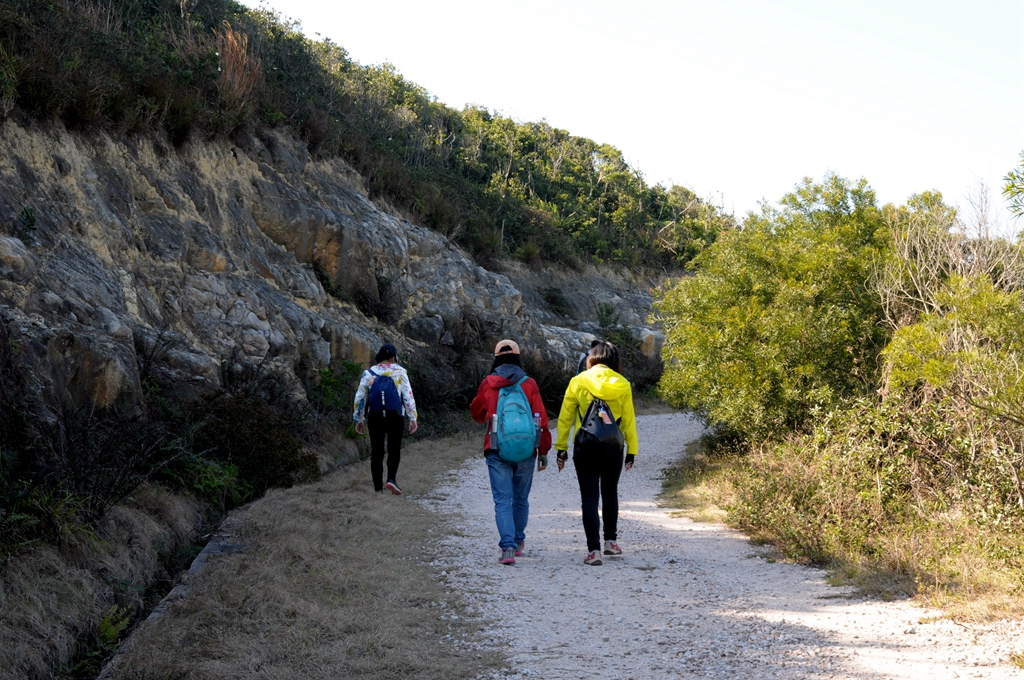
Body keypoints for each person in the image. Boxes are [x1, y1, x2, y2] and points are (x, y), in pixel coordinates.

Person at [555, 341, 638, 565]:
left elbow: (565, 418)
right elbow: (629, 420)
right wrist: (632, 450)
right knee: (610, 492)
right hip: (613, 446)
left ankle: (594, 552)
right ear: (615, 361)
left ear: (591, 359)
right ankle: (611, 542)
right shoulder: (623, 384)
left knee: (589, 497)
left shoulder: (578, 381)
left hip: (586, 446)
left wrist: (561, 448)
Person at [470, 339, 552, 565]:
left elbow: (476, 413)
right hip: (526, 450)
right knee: (521, 499)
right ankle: (518, 542)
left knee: (502, 500)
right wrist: (543, 450)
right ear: (518, 357)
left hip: (496, 448)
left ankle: (507, 549)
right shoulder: (529, 384)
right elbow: (541, 419)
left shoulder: (488, 383)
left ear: (496, 358)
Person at [353, 343, 418, 495]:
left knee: (377, 452)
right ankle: (391, 479)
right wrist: (412, 417)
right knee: (394, 449)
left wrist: (359, 419)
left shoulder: (369, 373)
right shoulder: (400, 372)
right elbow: (408, 396)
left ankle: (377, 488)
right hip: (396, 415)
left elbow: (360, 397)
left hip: (375, 416)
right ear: (393, 357)